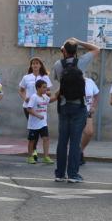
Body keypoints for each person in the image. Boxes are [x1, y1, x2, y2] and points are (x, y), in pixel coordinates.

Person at [52, 37, 100, 183]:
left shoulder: (58, 64)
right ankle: (73, 174)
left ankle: (60, 174)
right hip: (79, 107)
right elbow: (96, 49)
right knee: (75, 141)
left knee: (62, 141)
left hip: (63, 106)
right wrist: (78, 42)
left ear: (64, 51)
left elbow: (58, 81)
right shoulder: (81, 62)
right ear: (76, 51)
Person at [19, 57, 52, 161]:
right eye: (33, 63)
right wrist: (25, 98)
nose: (35, 65)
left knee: (41, 129)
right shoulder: (26, 77)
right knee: (34, 129)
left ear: (40, 65)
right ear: (31, 66)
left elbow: (49, 92)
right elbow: (21, 90)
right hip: (29, 107)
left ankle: (40, 154)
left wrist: (44, 93)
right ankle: (33, 152)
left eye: (37, 63)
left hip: (40, 106)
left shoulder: (45, 77)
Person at [26, 79, 56, 164]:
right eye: (44, 87)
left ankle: (46, 157)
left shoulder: (44, 96)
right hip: (34, 124)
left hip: (43, 123)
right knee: (32, 140)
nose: (46, 89)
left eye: (46, 87)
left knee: (46, 138)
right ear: (38, 88)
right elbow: (29, 109)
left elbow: (50, 100)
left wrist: (57, 96)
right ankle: (30, 157)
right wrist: (37, 115)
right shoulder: (34, 97)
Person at [80, 76, 100, 165]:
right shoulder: (71, 80)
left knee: (89, 132)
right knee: (75, 134)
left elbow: (96, 95)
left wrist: (93, 106)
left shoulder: (89, 81)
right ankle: (75, 156)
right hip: (75, 112)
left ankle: (80, 151)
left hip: (87, 112)